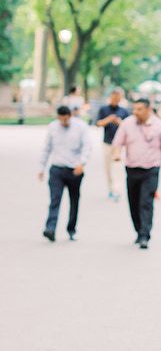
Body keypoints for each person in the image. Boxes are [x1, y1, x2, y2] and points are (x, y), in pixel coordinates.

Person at [112, 98, 161, 249]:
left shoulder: (160, 125)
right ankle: (139, 231)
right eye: (134, 109)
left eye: (139, 109)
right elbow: (117, 142)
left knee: (145, 202)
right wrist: (116, 154)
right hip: (132, 169)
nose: (135, 112)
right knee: (133, 202)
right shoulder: (127, 123)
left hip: (151, 170)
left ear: (148, 109)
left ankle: (145, 235)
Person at [38, 105, 92, 242]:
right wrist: (41, 168)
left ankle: (71, 229)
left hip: (75, 169)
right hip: (57, 168)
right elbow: (47, 148)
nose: (64, 122)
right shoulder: (53, 127)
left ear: (70, 116)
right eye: (61, 119)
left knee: (74, 200)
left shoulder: (81, 127)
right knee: (54, 200)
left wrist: (82, 162)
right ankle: (50, 228)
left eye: (66, 119)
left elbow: (87, 146)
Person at [96, 88, 129, 201]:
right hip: (107, 142)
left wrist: (120, 122)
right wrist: (109, 119)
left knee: (118, 168)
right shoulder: (104, 109)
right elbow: (98, 123)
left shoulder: (124, 111)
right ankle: (110, 189)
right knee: (108, 168)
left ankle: (117, 190)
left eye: (118, 96)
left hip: (119, 145)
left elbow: (129, 127)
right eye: (114, 96)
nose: (115, 99)